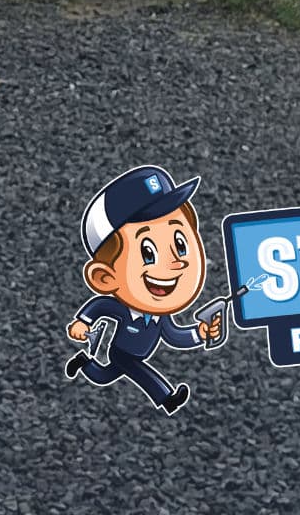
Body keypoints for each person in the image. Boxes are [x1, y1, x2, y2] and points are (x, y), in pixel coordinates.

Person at [65, 165, 225, 414]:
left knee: (103, 376)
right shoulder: (122, 308)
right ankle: (167, 397)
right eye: (148, 252)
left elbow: (173, 335)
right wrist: (83, 322)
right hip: (123, 352)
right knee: (135, 370)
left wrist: (199, 334)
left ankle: (84, 362)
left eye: (181, 245)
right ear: (105, 278)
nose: (175, 262)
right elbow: (99, 306)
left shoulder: (160, 315)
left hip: (138, 351)